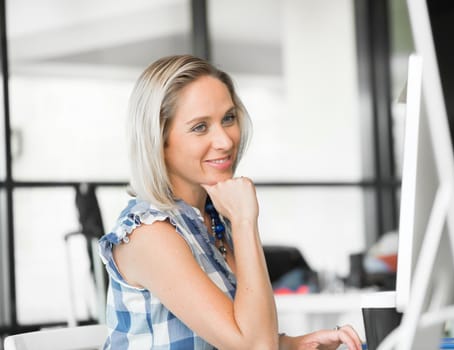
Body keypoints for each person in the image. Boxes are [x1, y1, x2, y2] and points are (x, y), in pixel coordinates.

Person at [98, 54, 363, 350]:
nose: (225, 141)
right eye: (200, 127)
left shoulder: (213, 218)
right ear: (159, 139)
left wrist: (292, 345)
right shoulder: (149, 232)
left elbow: (243, 333)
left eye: (228, 118)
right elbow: (254, 347)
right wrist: (245, 221)